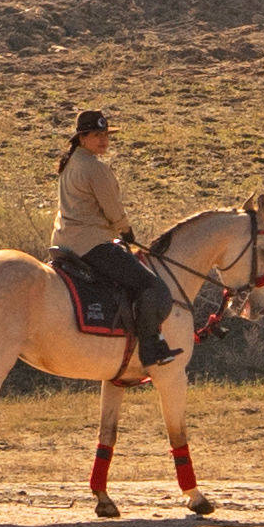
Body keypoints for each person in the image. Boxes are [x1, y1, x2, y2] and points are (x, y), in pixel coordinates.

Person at [52, 107, 181, 369]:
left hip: (65, 242)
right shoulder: (95, 168)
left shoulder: (71, 163)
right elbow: (112, 208)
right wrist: (125, 230)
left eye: (106, 135)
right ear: (82, 137)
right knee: (150, 285)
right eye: (97, 135)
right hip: (92, 244)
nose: (104, 141)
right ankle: (150, 347)